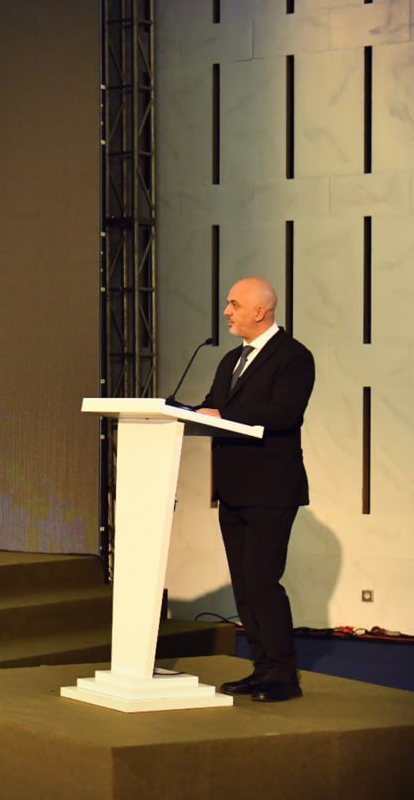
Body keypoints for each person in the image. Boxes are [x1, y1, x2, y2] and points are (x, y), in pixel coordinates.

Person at [196, 276, 314, 703]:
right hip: (233, 490)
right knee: (244, 586)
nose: (227, 312)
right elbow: (213, 406)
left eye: (234, 304)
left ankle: (283, 674)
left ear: (259, 311)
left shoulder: (294, 357)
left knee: (263, 581)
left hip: (271, 490)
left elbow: (284, 413)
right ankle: (261, 667)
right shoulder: (231, 359)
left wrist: (221, 412)